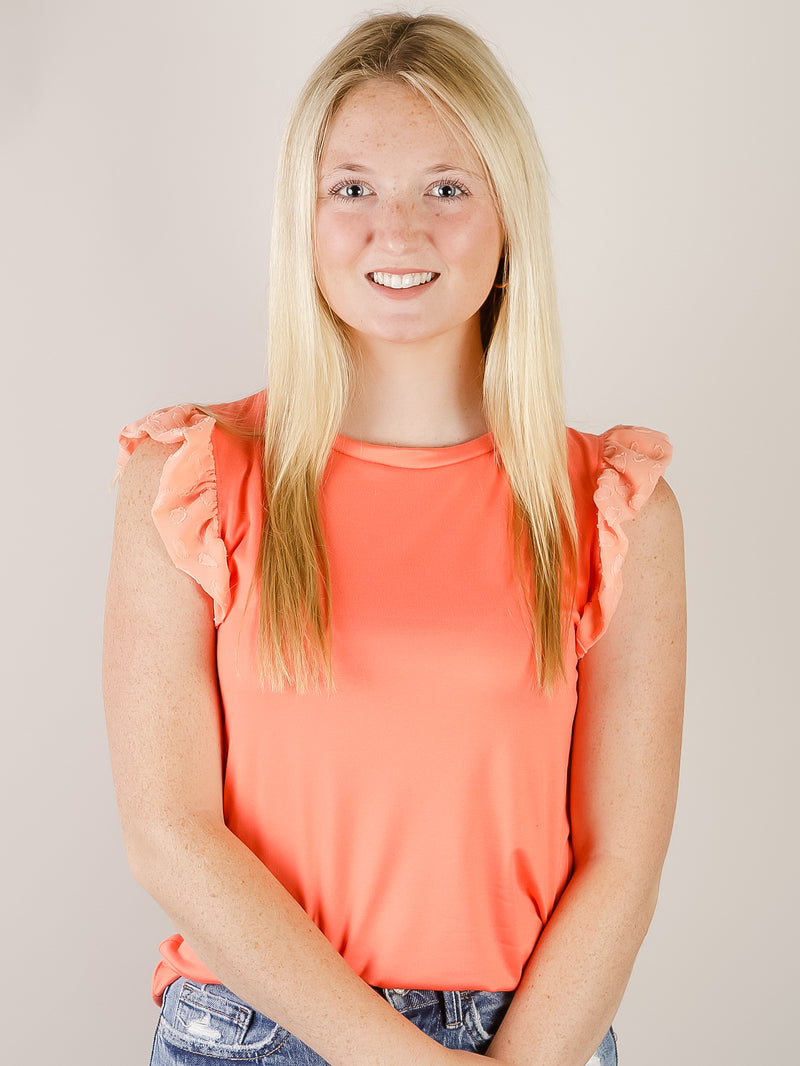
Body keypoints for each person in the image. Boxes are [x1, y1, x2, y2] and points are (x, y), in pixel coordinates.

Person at [103, 12, 686, 1066]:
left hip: (532, 1042)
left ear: (508, 216)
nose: (397, 231)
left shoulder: (609, 506)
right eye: (353, 188)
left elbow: (621, 861)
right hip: (253, 1038)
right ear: (305, 216)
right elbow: (170, 834)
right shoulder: (188, 482)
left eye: (447, 188)